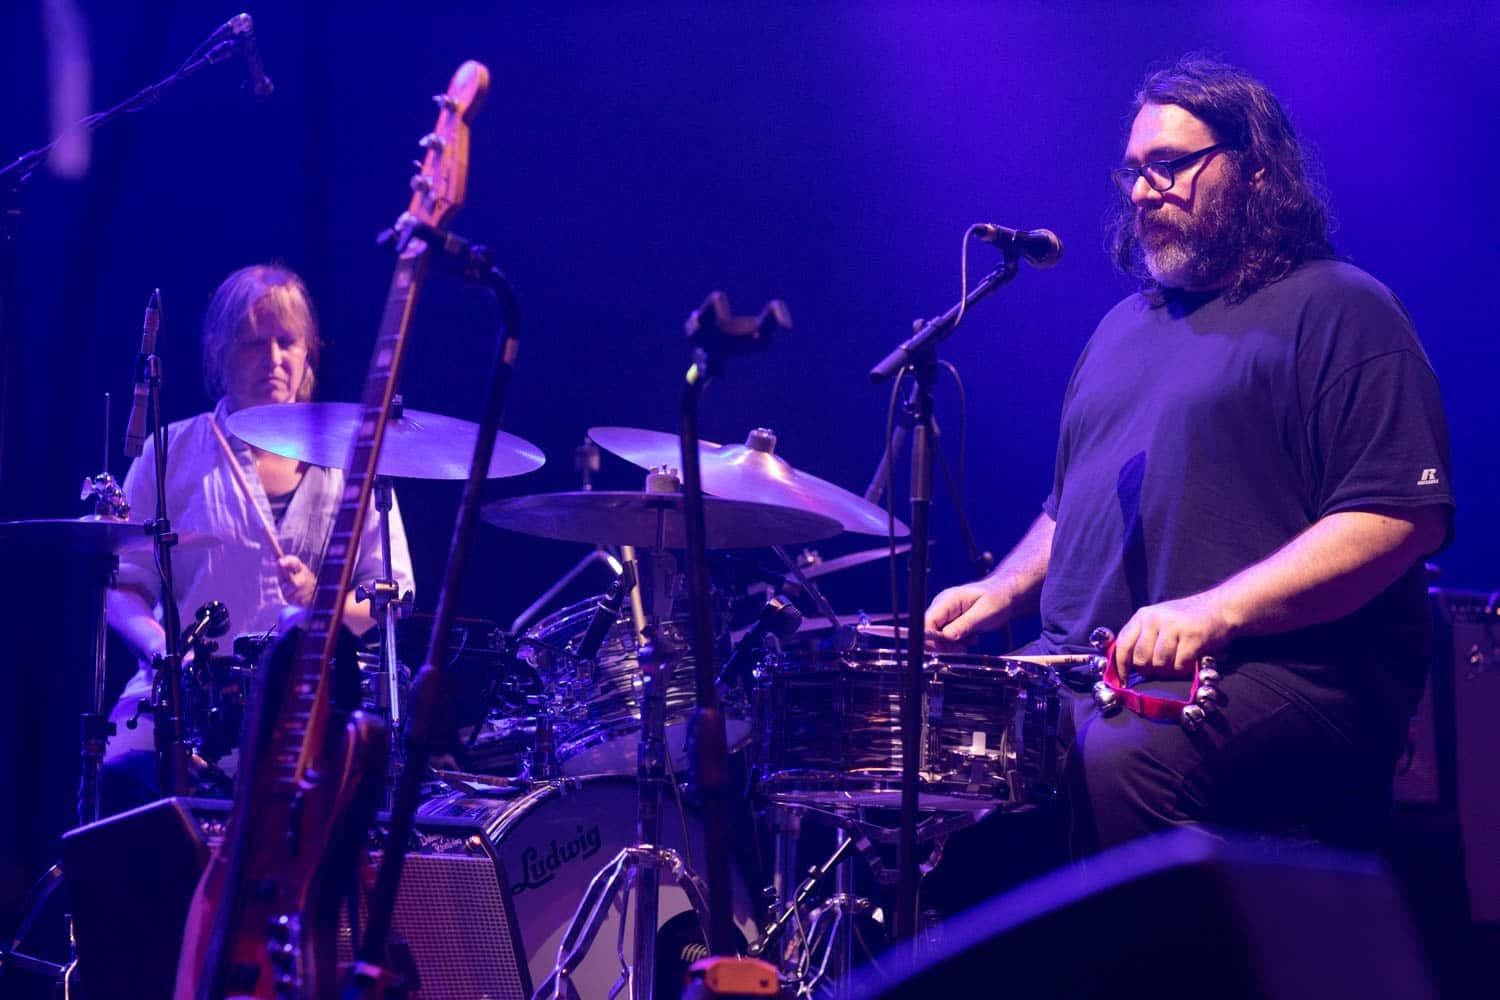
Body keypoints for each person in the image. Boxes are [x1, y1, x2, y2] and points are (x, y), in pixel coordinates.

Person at [925, 57, 1453, 853]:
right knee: (933, 766)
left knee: (1121, 768)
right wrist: (1003, 591)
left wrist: (1214, 611)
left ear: (1255, 171)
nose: (1143, 191)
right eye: (1133, 173)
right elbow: (1075, 507)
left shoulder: (1343, 307)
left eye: (1168, 166)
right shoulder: (1120, 330)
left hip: (1290, 675)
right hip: (1090, 673)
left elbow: (1397, 519)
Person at [102, 263, 415, 809]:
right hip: (185, 706)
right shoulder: (170, 452)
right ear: (219, 352)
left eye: (286, 342)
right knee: (119, 774)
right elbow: (123, 585)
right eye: (253, 344)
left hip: (313, 712)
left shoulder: (351, 462)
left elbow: (394, 595)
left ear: (307, 351)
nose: (273, 360)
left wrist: (325, 605)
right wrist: (166, 656)